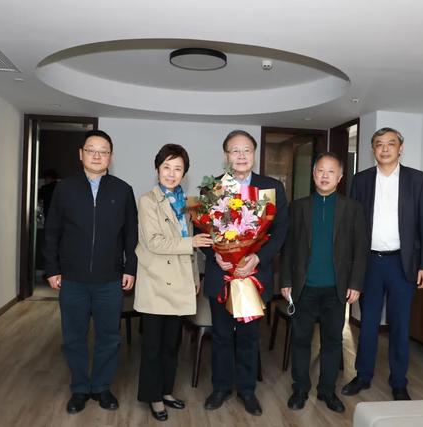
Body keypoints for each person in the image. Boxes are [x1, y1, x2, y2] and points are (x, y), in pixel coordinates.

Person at [43, 130, 138, 414]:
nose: (97, 155)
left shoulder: (123, 190)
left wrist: (130, 268)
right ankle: (80, 388)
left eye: (103, 151)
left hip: (110, 279)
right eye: (91, 150)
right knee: (74, 337)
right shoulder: (65, 189)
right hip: (72, 279)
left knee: (109, 337)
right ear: (81, 154)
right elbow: (52, 231)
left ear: (111, 156)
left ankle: (102, 387)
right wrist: (52, 268)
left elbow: (131, 235)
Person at [341, 127, 423, 401]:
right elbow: (352, 226)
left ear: (400, 148)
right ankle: (363, 375)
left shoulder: (418, 180)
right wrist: (350, 266)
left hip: (402, 264)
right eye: (379, 144)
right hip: (370, 263)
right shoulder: (361, 180)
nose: (384, 149)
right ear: (373, 149)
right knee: (368, 323)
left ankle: (398, 381)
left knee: (400, 325)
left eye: (390, 144)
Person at [201, 130, 288, 416]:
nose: (241, 155)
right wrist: (215, 254)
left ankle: (247, 391)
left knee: (249, 337)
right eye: (235, 150)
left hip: (254, 275)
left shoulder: (271, 188)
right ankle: (221, 387)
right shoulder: (213, 187)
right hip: (222, 274)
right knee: (221, 335)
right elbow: (203, 231)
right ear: (226, 155)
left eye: (246, 150)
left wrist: (257, 257)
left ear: (254, 154)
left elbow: (280, 231)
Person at [281, 152, 368, 413]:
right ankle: (300, 389)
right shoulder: (298, 207)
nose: (325, 176)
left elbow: (360, 250)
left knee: (332, 341)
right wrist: (286, 280)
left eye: (331, 172)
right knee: (301, 340)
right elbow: (288, 247)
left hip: (336, 289)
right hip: (303, 287)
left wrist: (356, 283)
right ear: (313, 174)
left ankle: (327, 391)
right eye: (320, 170)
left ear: (340, 177)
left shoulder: (352, 208)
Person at [134, 144, 213, 422]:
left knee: (171, 344)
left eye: (177, 168)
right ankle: (153, 396)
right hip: (156, 283)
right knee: (153, 346)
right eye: (166, 167)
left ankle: (166, 391)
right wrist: (191, 241)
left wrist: (193, 278)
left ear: (184, 173)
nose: (171, 173)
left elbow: (189, 252)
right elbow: (155, 242)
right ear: (157, 169)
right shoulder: (147, 201)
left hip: (180, 282)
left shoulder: (185, 203)